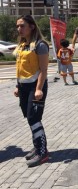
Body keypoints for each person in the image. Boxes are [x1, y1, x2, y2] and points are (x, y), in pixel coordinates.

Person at [13, 15, 49, 167]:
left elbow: (43, 69)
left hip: (35, 87)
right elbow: (20, 67)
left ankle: (43, 152)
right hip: (23, 87)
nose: (19, 29)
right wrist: (17, 86)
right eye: (18, 26)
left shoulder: (40, 45)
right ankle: (37, 147)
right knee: (30, 118)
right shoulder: (22, 45)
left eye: (22, 26)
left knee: (34, 119)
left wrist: (39, 89)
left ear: (32, 27)